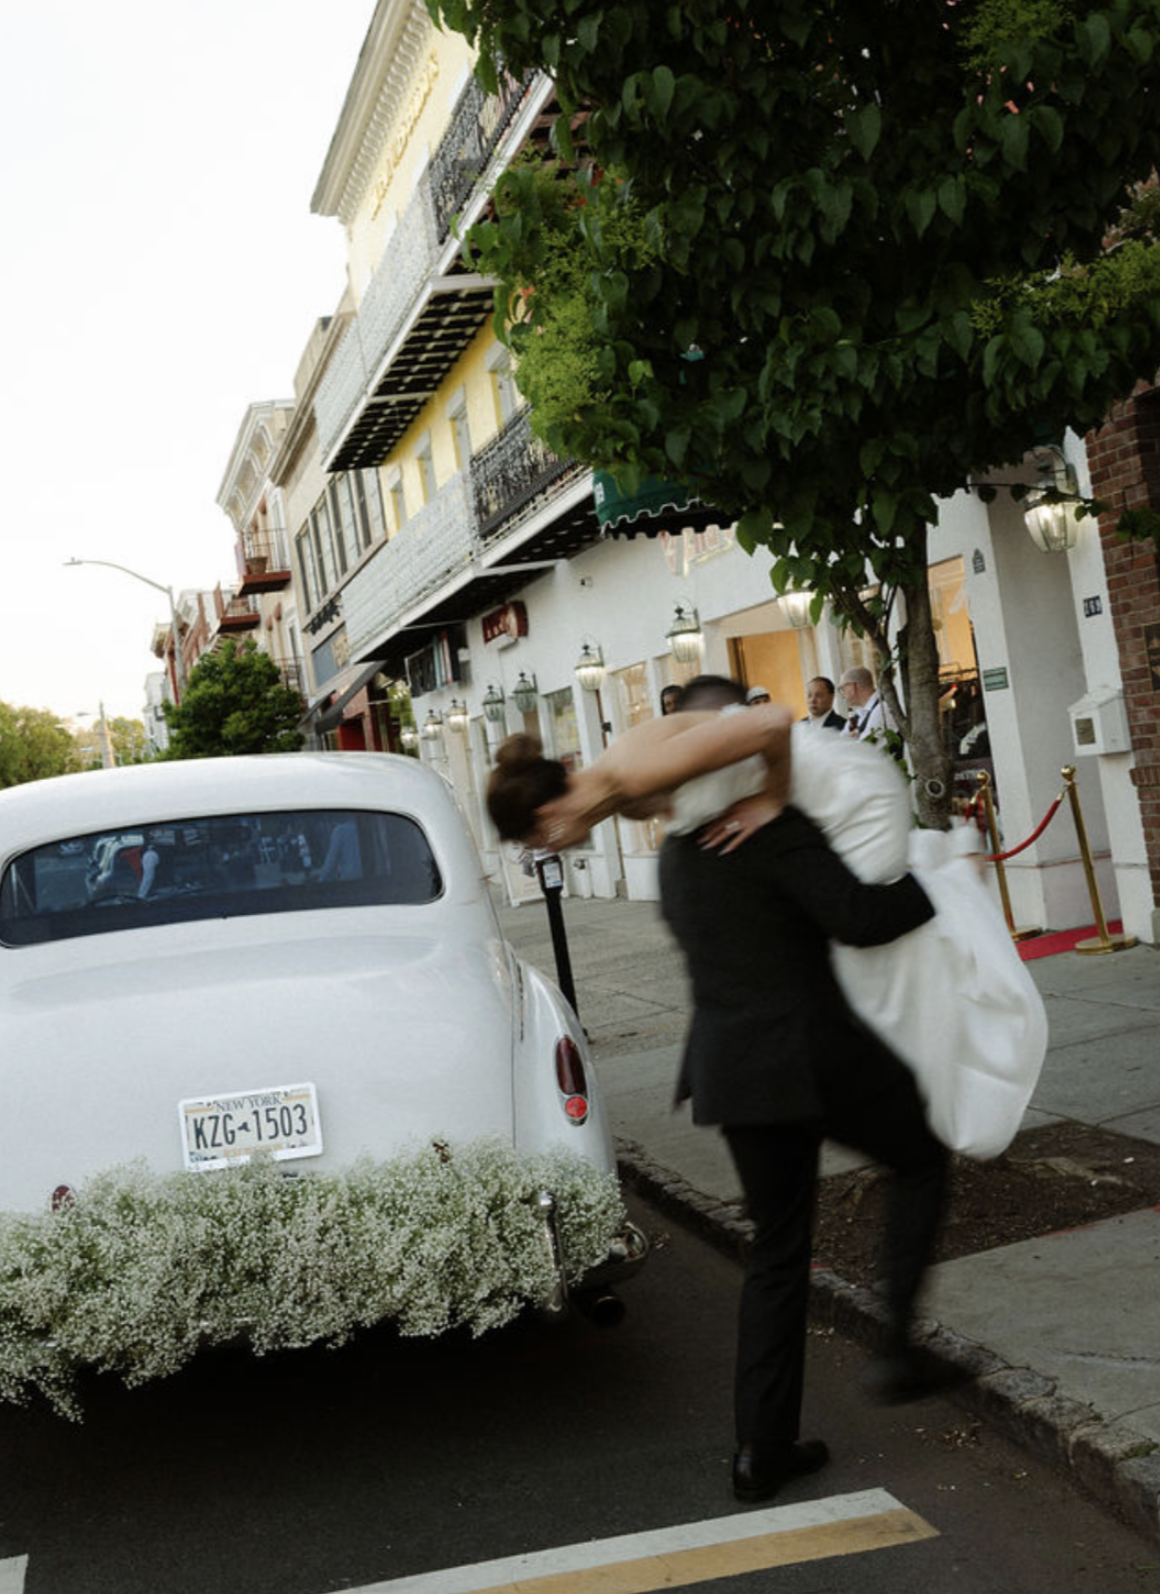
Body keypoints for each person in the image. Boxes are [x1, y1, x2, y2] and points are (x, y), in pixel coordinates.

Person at [838, 666, 891, 741]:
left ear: (852, 687)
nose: (843, 695)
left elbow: (866, 746)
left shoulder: (882, 709)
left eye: (842, 689)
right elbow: (839, 742)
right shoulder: (858, 714)